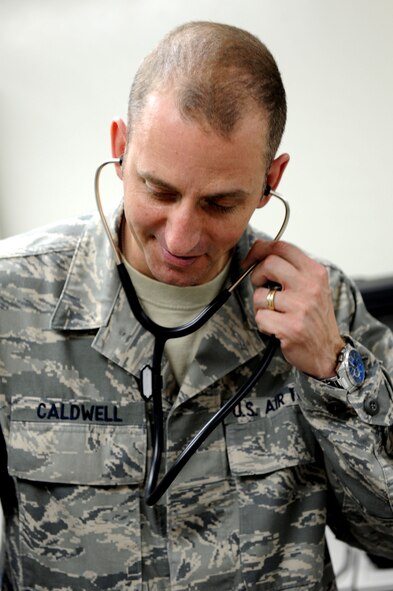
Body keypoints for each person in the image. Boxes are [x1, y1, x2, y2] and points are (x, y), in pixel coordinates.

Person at [0, 20, 392, 591]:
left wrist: (336, 370)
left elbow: (387, 538)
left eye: (219, 203)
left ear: (269, 181)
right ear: (119, 147)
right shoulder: (12, 300)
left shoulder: (324, 308)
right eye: (158, 191)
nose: (181, 238)